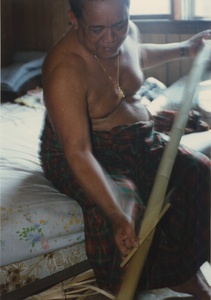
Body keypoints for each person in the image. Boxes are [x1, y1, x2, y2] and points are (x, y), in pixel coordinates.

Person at [39, 0, 211, 298]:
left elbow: (136, 54)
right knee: (128, 209)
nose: (110, 39)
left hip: (138, 137)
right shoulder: (64, 69)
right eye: (97, 30)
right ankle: (153, 279)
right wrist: (116, 214)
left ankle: (183, 270)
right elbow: (78, 151)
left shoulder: (125, 32)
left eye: (118, 25)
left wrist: (186, 48)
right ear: (73, 19)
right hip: (89, 149)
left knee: (202, 174)